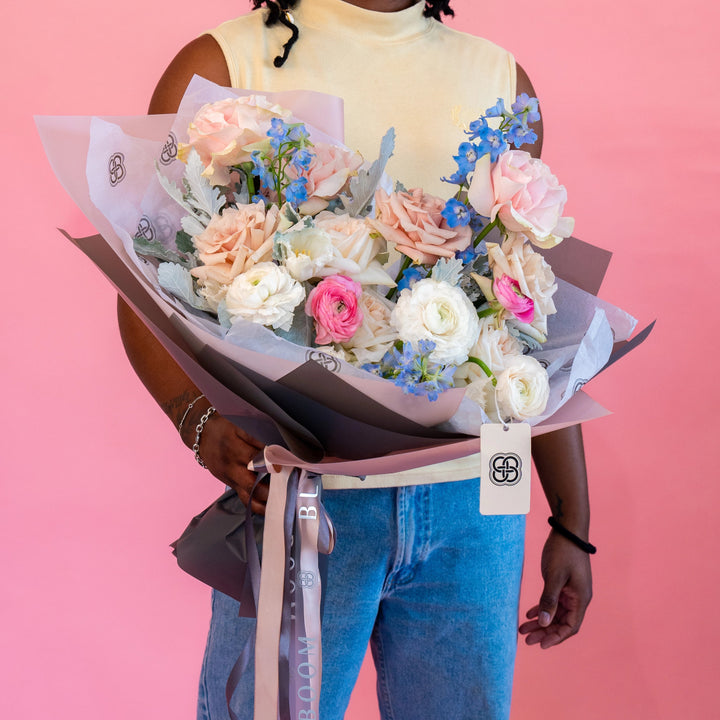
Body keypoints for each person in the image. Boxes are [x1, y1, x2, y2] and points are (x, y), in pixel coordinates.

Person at [117, 1, 593, 718]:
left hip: (480, 503)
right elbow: (141, 288)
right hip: (307, 500)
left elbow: (527, 327)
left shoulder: (501, 81)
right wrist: (198, 423)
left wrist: (569, 521)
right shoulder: (221, 69)